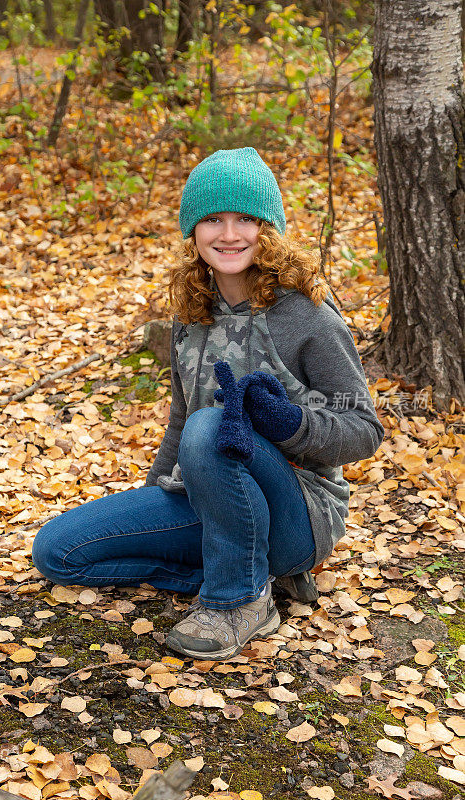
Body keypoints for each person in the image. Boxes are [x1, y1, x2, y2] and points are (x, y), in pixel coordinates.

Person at [31, 147, 384, 661]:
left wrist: (291, 423)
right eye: (213, 219)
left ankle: (239, 599)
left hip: (298, 512)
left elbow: (364, 428)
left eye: (246, 219)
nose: (230, 234)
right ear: (192, 232)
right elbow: (179, 420)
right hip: (208, 498)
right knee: (59, 552)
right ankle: (250, 571)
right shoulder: (191, 314)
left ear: (270, 228)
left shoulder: (306, 313)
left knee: (211, 426)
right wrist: (153, 496)